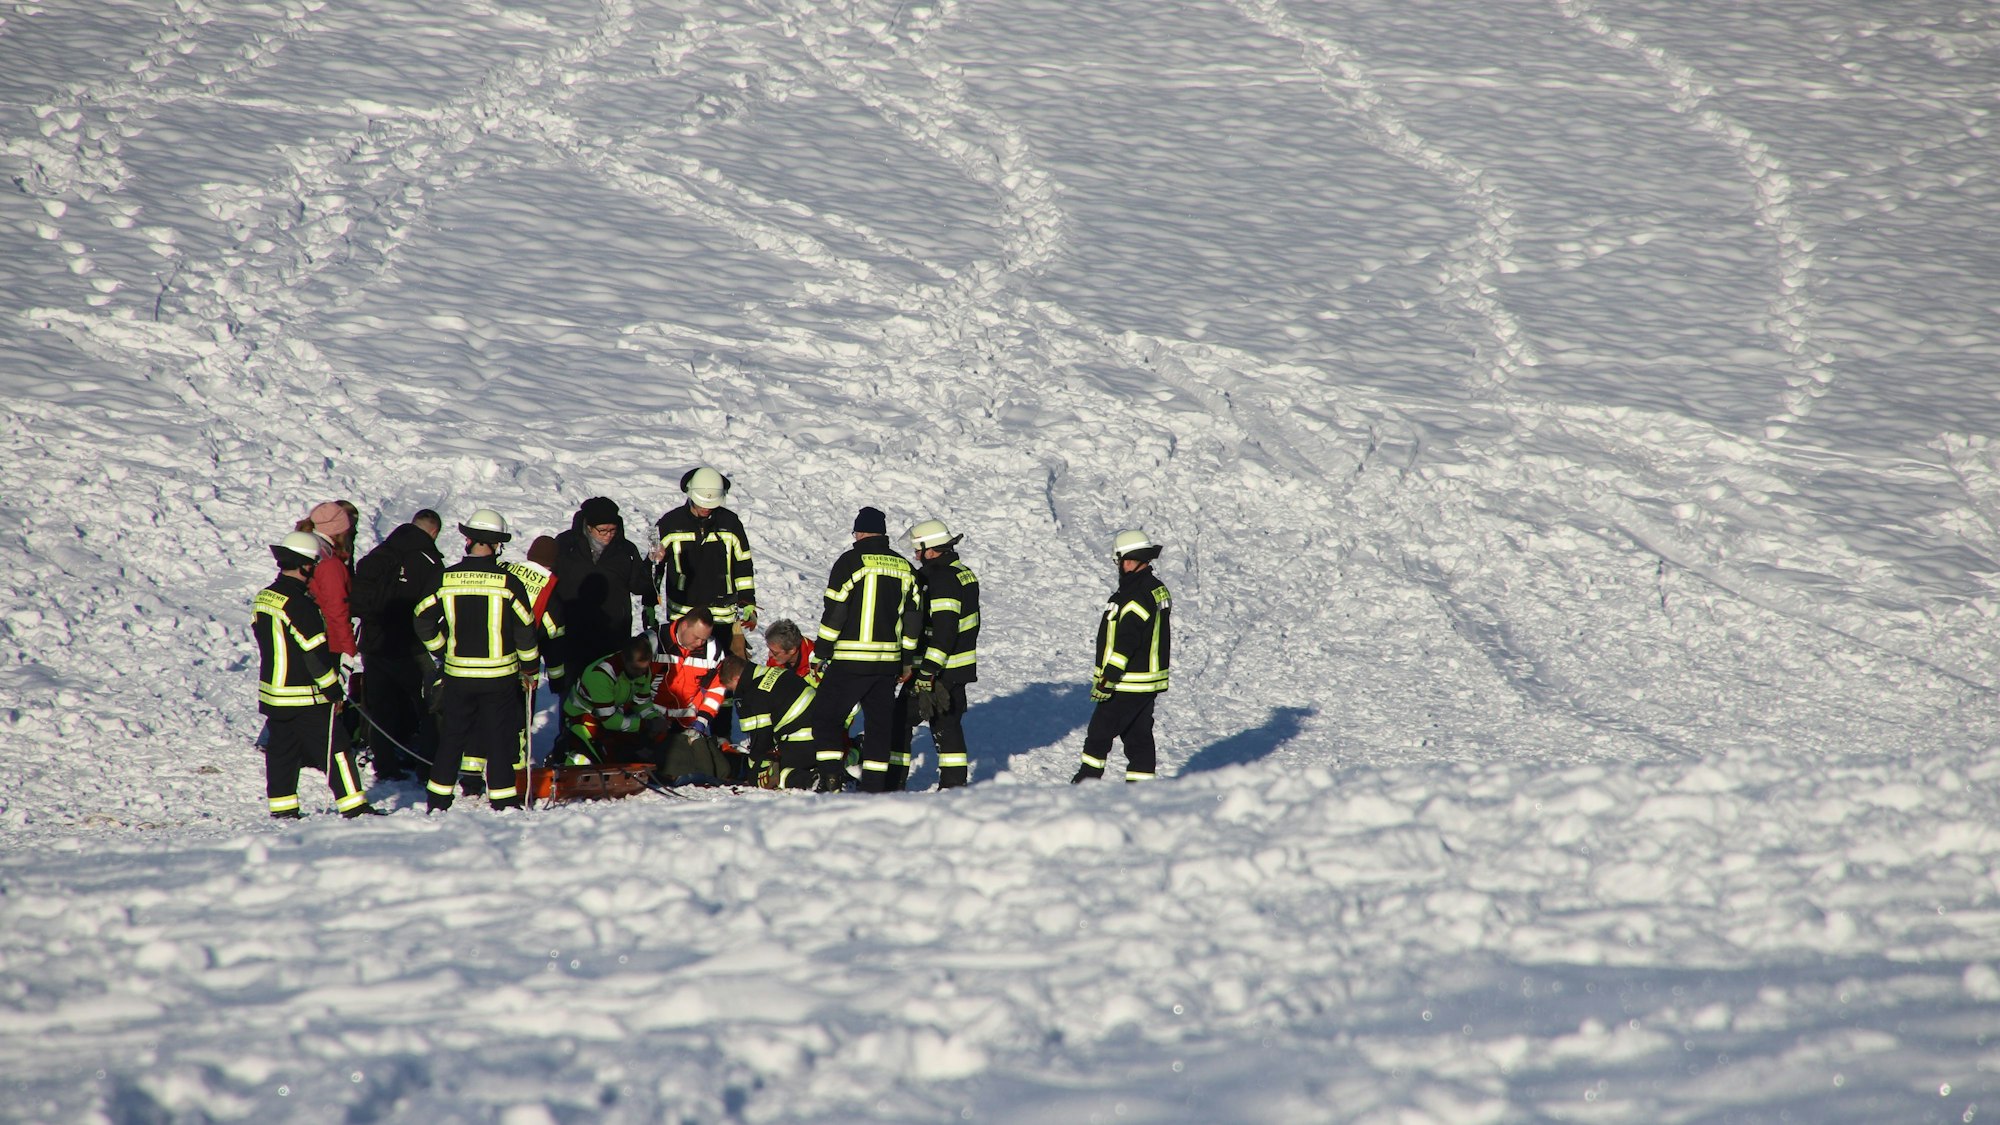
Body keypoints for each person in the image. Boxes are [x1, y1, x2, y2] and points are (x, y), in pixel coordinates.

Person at [414, 508, 541, 812]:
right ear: (498, 545)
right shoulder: (508, 583)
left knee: (453, 737)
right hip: (499, 677)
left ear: (468, 539)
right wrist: (530, 669)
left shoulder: (445, 578)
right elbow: (526, 631)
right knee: (499, 737)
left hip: (458, 676)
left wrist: (442, 650)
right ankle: (502, 799)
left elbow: (422, 619)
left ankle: (438, 798)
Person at [253, 530, 377, 819]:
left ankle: (283, 809)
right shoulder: (300, 604)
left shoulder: (265, 597)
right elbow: (315, 655)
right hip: (305, 695)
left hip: (274, 693)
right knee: (337, 749)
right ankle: (354, 806)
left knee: (283, 751)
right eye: (314, 564)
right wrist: (333, 690)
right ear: (305, 565)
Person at [812, 507, 922, 792]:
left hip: (850, 661)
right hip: (887, 665)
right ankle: (874, 786)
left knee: (826, 717)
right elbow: (913, 620)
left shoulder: (850, 562)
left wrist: (821, 652)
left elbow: (835, 612)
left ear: (859, 532)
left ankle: (830, 779)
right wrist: (906, 661)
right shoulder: (904, 567)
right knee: (879, 726)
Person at [351, 508, 444, 779]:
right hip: (409, 647)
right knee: (429, 705)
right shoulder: (429, 561)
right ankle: (427, 766)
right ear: (434, 532)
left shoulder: (382, 552)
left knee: (381, 707)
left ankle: (385, 764)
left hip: (373, 642)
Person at [1074, 530, 1171, 783]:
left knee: (1099, 734)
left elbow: (1127, 641)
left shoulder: (1135, 596)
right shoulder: (1156, 589)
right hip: (1147, 682)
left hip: (1127, 681)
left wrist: (1109, 677)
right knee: (1138, 737)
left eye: (1120, 560)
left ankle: (1086, 784)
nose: (1119, 566)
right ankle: (1141, 790)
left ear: (1131, 559)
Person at [896, 519, 980, 790]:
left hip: (938, 669)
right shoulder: (961, 571)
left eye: (918, 550)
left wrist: (928, 672)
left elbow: (944, 629)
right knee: (947, 723)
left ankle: (891, 781)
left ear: (931, 549)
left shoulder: (941, 578)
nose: (916, 555)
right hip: (956, 667)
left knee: (898, 720)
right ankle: (954, 784)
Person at [551, 496, 657, 700]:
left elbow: (639, 585)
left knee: (608, 691)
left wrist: (652, 562)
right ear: (588, 527)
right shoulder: (566, 545)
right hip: (574, 635)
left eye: (612, 530)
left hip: (612, 636)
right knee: (573, 691)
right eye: (602, 531)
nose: (608, 535)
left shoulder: (626, 550)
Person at [654, 467, 758, 659]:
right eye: (703, 503)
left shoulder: (731, 523)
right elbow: (655, 568)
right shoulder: (670, 524)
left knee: (723, 670)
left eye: (712, 504)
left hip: (722, 616)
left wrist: (748, 602)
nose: (706, 508)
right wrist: (649, 602)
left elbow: (743, 564)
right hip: (684, 614)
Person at [652, 608, 744, 781]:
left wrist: (701, 721)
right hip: (652, 719)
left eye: (704, 638)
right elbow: (635, 684)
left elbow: (715, 691)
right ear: (684, 625)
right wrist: (647, 715)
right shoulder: (655, 641)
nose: (700, 643)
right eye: (696, 637)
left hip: (687, 723)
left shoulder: (713, 650)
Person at [557, 634, 665, 765]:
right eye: (636, 669)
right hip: (582, 718)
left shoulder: (643, 670)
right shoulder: (601, 675)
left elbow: (641, 703)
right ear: (624, 659)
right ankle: (567, 760)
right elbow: (609, 721)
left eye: (644, 669)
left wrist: (654, 719)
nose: (641, 674)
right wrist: (644, 725)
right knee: (593, 761)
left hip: (613, 715)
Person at [736, 655, 837, 790]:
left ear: (736, 679)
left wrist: (755, 767)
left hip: (805, 742)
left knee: (762, 774)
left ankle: (811, 780)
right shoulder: (779, 672)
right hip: (828, 737)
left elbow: (761, 741)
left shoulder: (755, 693)